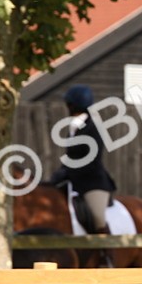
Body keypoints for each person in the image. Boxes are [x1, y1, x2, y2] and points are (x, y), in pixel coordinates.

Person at [47, 84, 117, 239]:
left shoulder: (93, 128)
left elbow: (91, 160)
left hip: (92, 182)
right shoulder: (74, 128)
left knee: (98, 217)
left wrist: (67, 172)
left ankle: (107, 255)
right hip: (74, 181)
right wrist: (61, 171)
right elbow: (72, 157)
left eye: (69, 104)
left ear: (73, 105)